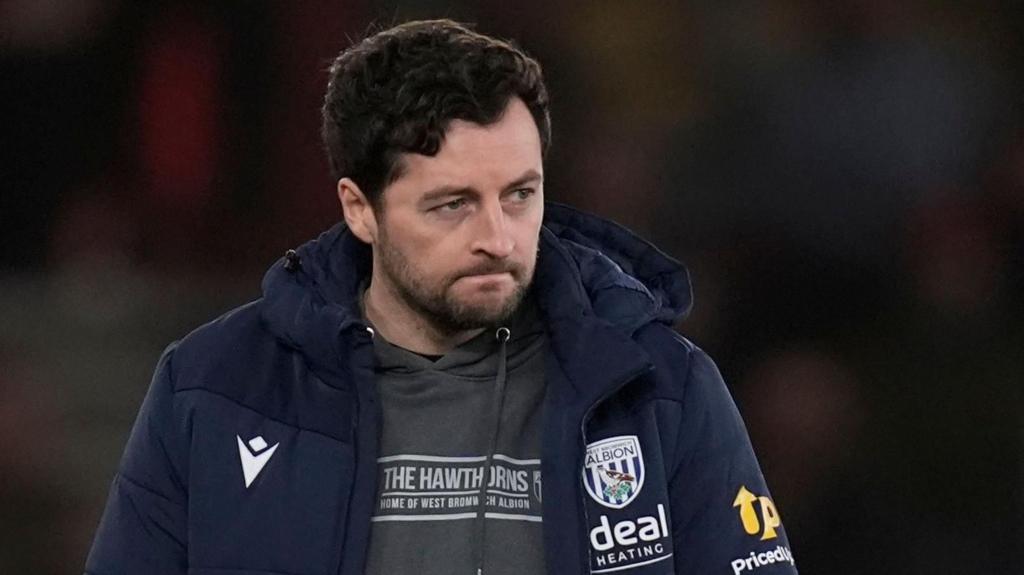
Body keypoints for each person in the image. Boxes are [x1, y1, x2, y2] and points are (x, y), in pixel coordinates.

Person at [85, 19, 797, 575]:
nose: (498, 237)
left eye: (520, 195)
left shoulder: (659, 389)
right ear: (359, 209)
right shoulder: (214, 389)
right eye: (452, 204)